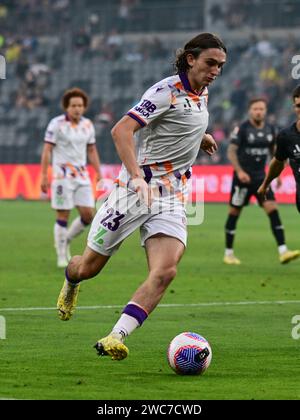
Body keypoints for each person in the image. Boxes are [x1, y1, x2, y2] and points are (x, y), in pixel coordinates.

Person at [57, 33, 227, 361]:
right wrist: (136, 177)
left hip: (172, 197)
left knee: (165, 272)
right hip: (133, 193)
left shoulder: (201, 92)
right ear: (191, 59)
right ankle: (71, 279)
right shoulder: (165, 92)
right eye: (210, 63)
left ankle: (115, 336)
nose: (215, 70)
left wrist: (200, 138)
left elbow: (177, 126)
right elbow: (121, 130)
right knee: (88, 268)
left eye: (220, 65)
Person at [224, 97, 300, 265]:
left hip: (260, 177)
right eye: (255, 109)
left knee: (273, 210)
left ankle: (283, 251)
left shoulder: (271, 130)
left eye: (261, 109)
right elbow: (231, 151)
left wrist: (278, 176)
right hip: (242, 179)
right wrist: (239, 171)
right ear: (250, 111)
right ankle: (228, 253)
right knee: (234, 213)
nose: (258, 112)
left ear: (265, 111)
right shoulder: (242, 129)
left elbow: (277, 154)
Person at [40, 87, 102, 268]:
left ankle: (65, 239)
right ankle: (61, 255)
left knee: (88, 214)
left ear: (84, 107)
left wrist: (98, 172)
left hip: (82, 175)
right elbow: (47, 150)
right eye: (73, 105)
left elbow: (91, 149)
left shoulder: (88, 125)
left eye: (80, 105)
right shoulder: (56, 124)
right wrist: (44, 174)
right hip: (62, 177)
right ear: (67, 107)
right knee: (63, 214)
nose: (77, 108)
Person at [258, 85, 300, 214]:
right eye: (298, 106)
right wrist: (265, 184)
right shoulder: (286, 136)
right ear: (294, 107)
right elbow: (278, 162)